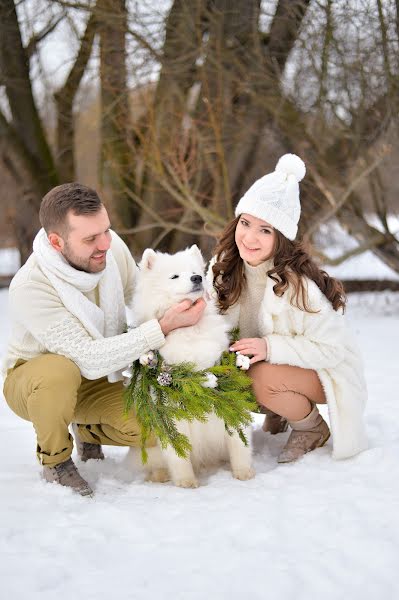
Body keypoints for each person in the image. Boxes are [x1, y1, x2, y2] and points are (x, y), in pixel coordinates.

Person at [2, 183, 206, 496]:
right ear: (57, 242)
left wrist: (185, 309)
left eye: (106, 231)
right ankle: (56, 460)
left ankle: (86, 429)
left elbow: (144, 297)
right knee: (59, 371)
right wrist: (161, 328)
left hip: (97, 377)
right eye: (90, 239)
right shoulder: (31, 285)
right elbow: (87, 357)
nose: (105, 244)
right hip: (35, 381)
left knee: (156, 429)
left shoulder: (110, 250)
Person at [210, 154, 368, 463]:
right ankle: (278, 406)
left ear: (280, 239)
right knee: (224, 373)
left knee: (260, 378)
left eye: (265, 230)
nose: (249, 237)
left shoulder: (296, 287)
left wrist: (269, 347)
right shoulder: (222, 268)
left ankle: (311, 428)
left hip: (328, 371)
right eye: (245, 223)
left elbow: (331, 350)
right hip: (265, 363)